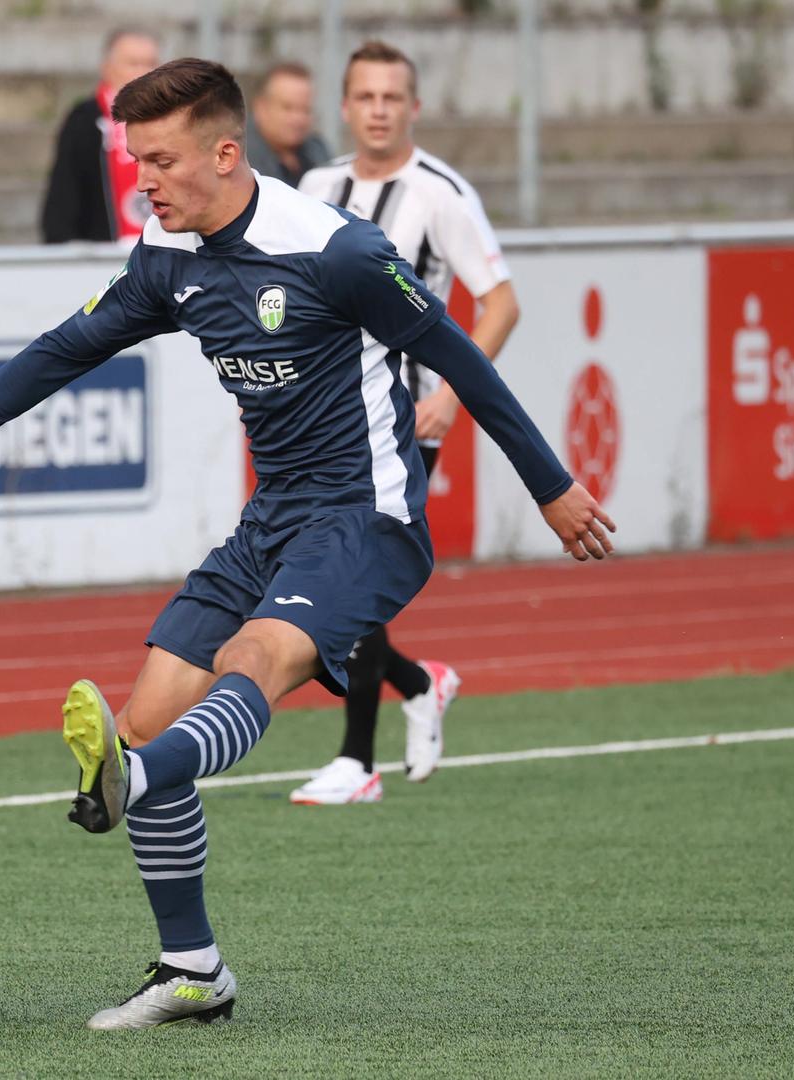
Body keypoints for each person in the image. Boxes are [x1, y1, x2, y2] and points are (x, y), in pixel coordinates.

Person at [0, 59, 611, 1028]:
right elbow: (59, 353)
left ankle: (133, 785)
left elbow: (459, 355)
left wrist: (551, 488)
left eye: (160, 162)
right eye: (136, 162)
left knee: (250, 661)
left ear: (225, 151)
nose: (143, 185)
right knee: (146, 716)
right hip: (271, 520)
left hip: (366, 518)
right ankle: (193, 968)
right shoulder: (166, 258)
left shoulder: (337, 251)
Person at [292, 39, 522, 805]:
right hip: (322, 417)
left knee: (351, 576)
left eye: (394, 98)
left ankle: (358, 764)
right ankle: (420, 683)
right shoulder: (317, 183)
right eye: (366, 97)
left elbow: (501, 303)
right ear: (346, 107)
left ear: (413, 108)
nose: (380, 110)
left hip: (404, 417)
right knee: (317, 574)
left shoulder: (440, 192)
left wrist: (454, 394)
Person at [39, 27, 161, 244]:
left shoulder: (173, 121)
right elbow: (64, 195)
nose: (143, 73)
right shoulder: (85, 120)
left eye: (150, 64)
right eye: (133, 63)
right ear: (107, 68)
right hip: (103, 251)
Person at [245, 62, 329, 188]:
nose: (298, 119)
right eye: (288, 108)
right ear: (260, 108)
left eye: (305, 110)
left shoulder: (318, 150)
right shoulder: (240, 160)